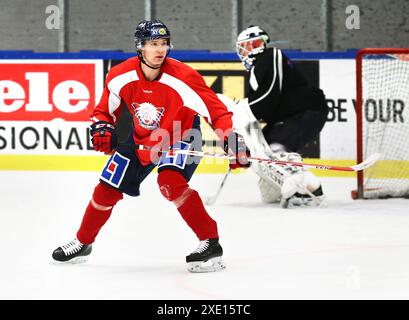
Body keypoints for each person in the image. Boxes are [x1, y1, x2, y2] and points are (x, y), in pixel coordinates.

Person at [51, 19, 250, 273]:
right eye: (153, 44)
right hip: (141, 138)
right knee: (105, 191)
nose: (160, 50)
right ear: (140, 47)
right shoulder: (120, 76)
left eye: (164, 44)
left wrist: (231, 140)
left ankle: (210, 243)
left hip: (182, 135)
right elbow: (103, 112)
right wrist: (102, 127)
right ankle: (82, 243)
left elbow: (217, 113)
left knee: (170, 182)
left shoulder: (184, 78)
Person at [232, 25, 329, 207]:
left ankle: (311, 188)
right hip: (287, 117)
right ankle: (282, 184)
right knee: (263, 151)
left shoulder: (271, 56)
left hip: (306, 111)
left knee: (276, 148)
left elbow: (269, 95)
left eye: (244, 46)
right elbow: (259, 109)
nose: (242, 52)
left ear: (254, 44)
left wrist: (244, 108)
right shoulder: (256, 71)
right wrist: (242, 149)